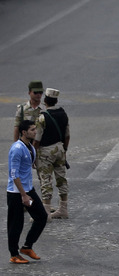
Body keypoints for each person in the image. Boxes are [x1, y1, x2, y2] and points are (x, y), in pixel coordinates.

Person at [7, 120, 46, 265]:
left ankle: (27, 247)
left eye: (35, 129)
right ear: (24, 132)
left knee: (41, 217)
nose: (35, 131)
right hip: (17, 192)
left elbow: (28, 162)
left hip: (28, 189)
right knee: (16, 224)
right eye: (32, 129)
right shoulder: (17, 148)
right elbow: (13, 174)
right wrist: (23, 195)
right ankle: (14, 254)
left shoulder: (30, 146)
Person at [34, 89, 68, 219]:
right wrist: (64, 149)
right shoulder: (63, 114)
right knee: (61, 179)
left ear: (45, 101)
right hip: (60, 149)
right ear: (56, 101)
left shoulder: (42, 117)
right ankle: (63, 209)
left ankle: (46, 212)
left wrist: (33, 155)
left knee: (46, 180)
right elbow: (67, 136)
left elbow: (37, 140)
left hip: (45, 151)